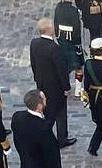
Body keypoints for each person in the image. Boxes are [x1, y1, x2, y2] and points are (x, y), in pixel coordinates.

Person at [29, 17, 74, 148]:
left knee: (48, 112)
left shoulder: (34, 43)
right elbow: (61, 70)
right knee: (58, 114)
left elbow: (33, 64)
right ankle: (60, 139)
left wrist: (37, 79)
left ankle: (53, 138)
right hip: (56, 88)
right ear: (49, 30)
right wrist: (66, 87)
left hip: (42, 85)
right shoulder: (55, 49)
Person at [52, 0, 84, 88]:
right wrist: (78, 44)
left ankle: (62, 84)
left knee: (66, 66)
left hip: (61, 40)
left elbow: (55, 23)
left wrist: (58, 37)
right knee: (78, 67)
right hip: (72, 42)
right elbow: (76, 29)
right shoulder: (73, 10)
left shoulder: (58, 7)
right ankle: (78, 90)